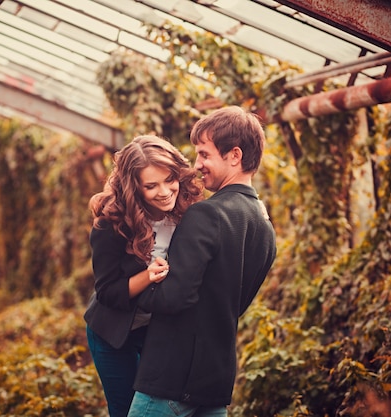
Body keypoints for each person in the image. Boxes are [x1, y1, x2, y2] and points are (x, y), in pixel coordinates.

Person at [127, 106, 277, 417]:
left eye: (204, 154)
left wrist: (136, 285)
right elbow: (235, 304)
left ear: (234, 155)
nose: (197, 165)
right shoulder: (265, 226)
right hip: (215, 381)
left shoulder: (207, 213)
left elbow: (174, 297)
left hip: (170, 377)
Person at [84, 135, 204, 417]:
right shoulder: (110, 224)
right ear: (133, 187)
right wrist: (147, 276)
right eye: (151, 186)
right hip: (114, 335)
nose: (164, 192)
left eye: (169, 180)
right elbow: (107, 292)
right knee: (126, 410)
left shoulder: (190, 212)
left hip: (160, 332)